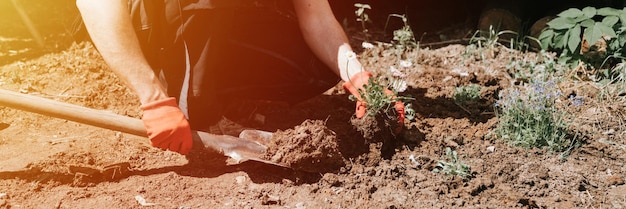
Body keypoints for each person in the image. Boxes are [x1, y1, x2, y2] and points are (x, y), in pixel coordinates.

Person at [76, 0, 405, 155]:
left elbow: (315, 15)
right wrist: (152, 97)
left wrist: (361, 80)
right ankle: (189, 100)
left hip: (216, 23)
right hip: (156, 27)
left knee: (313, 66)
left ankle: (229, 99)